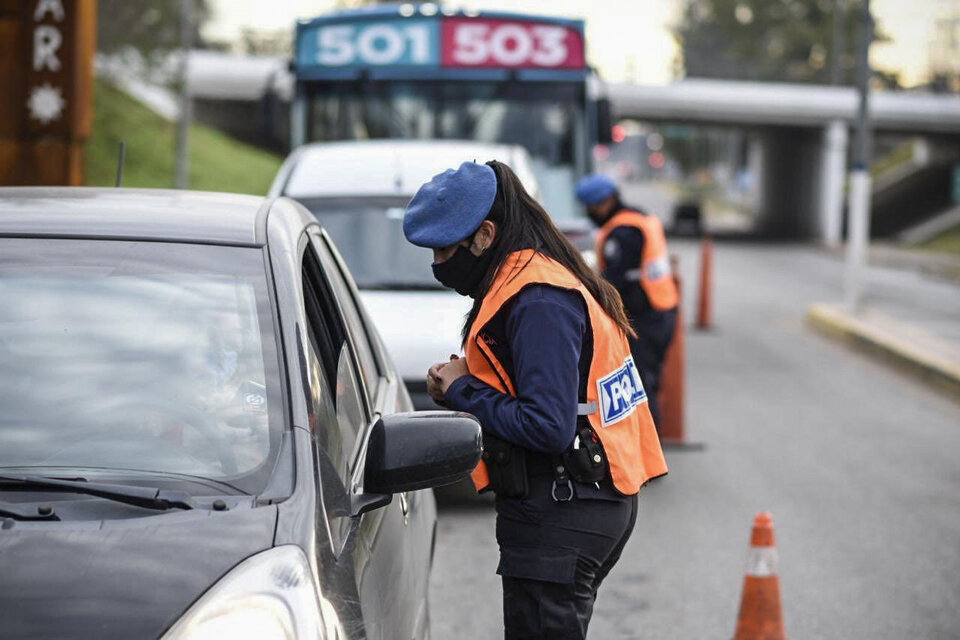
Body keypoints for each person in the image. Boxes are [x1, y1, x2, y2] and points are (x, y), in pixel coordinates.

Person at [403, 160, 668, 640]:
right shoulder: (532, 276)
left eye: (444, 250)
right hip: (576, 503)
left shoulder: (538, 298)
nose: (438, 264)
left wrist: (461, 389)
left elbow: (548, 425)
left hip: (565, 510)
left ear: (484, 234)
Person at [576, 174, 679, 428]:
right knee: (647, 381)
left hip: (646, 317)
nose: (590, 213)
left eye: (591, 207)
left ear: (604, 203)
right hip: (662, 309)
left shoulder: (623, 233)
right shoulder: (639, 218)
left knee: (641, 384)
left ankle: (649, 448)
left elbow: (614, 283)